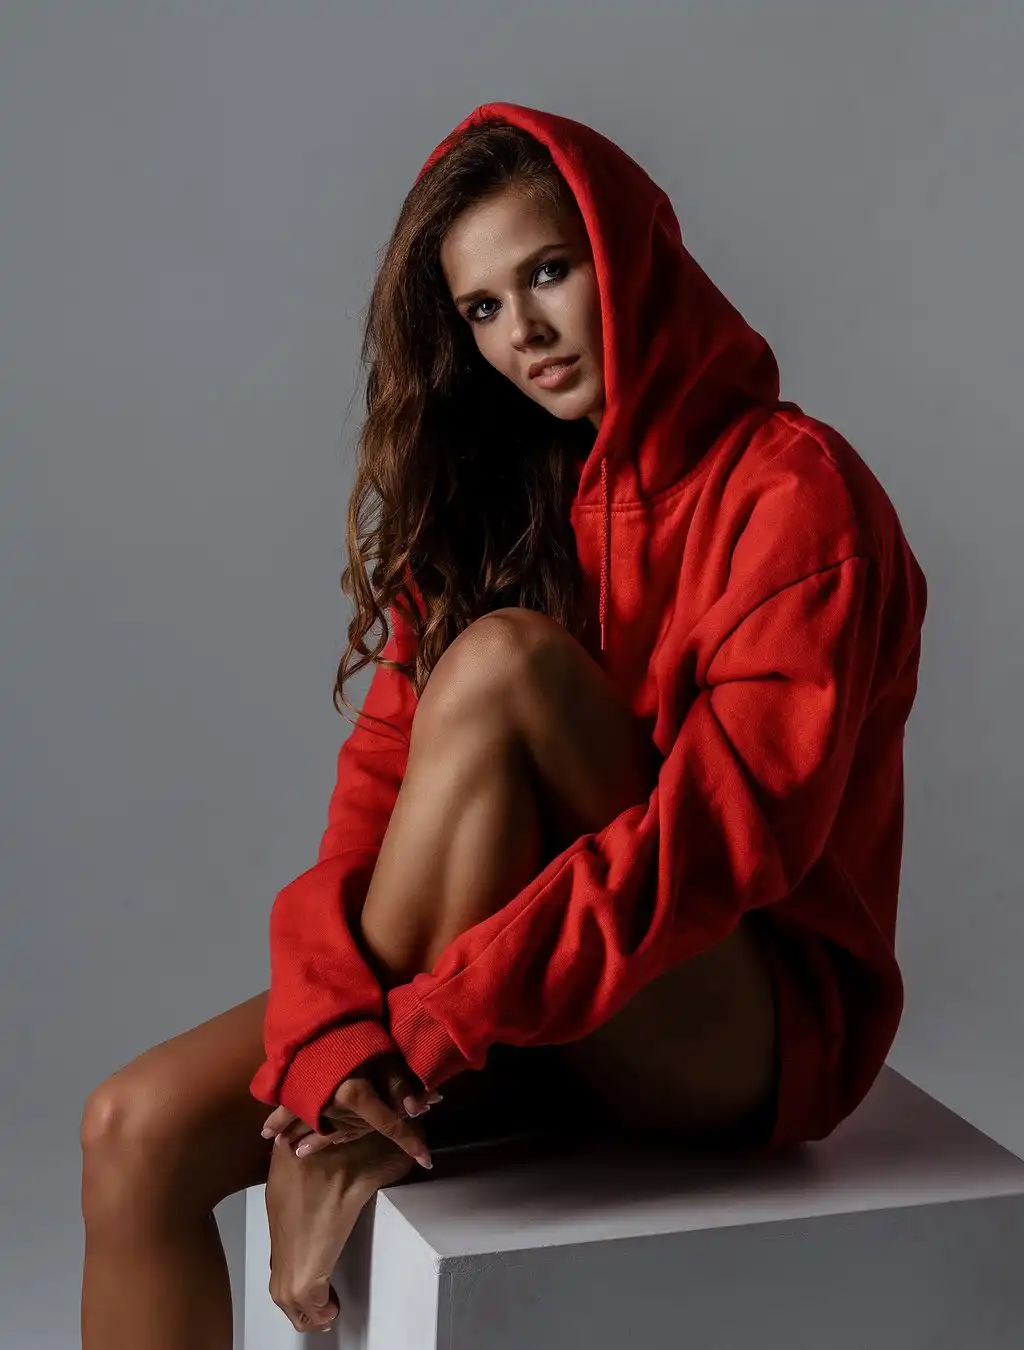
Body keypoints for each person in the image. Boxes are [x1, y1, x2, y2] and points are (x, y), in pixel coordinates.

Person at [79, 102, 928, 1345]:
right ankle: (346, 1121)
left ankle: (355, 1130)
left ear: (627, 256)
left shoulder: (796, 493)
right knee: (133, 1129)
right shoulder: (495, 501)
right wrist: (331, 1039)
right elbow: (371, 816)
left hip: (736, 1026)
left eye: (547, 272)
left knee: (507, 666)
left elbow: (720, 846)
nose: (521, 332)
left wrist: (428, 1033)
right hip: (506, 995)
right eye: (481, 307)